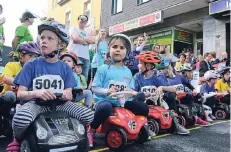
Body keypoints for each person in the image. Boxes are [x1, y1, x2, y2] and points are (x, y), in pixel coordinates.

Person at [6, 20, 94, 152]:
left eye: (49, 38)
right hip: (36, 104)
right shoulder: (31, 65)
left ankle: (82, 134)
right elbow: (20, 94)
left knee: (89, 115)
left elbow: (68, 91)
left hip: (59, 104)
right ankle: (18, 140)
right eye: (42, 37)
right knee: (20, 119)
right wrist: (36, 93)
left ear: (60, 44)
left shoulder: (64, 67)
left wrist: (67, 94)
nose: (44, 41)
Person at [87, 34, 150, 147]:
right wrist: (107, 91)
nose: (118, 50)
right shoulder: (103, 68)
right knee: (105, 107)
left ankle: (139, 127)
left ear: (126, 52)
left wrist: (131, 91)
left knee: (144, 108)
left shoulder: (128, 71)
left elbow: (131, 89)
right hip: (104, 101)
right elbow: (94, 88)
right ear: (109, 49)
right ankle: (92, 129)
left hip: (122, 103)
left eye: (121, 48)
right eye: (115, 47)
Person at [134, 51, 190, 135]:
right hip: (142, 103)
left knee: (171, 95)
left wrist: (162, 87)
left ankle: (176, 125)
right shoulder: (137, 77)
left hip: (155, 102)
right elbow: (133, 91)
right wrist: (141, 94)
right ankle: (144, 127)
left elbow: (174, 89)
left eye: (140, 63)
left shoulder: (156, 78)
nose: (138, 65)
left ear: (148, 66)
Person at [69, 15, 95, 79]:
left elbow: (93, 40)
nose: (83, 20)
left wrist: (81, 39)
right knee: (74, 76)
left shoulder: (87, 32)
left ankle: (82, 89)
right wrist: (86, 41)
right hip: (76, 55)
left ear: (86, 22)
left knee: (84, 78)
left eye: (85, 19)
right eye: (81, 19)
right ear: (78, 20)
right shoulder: (73, 28)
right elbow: (75, 39)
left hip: (86, 57)